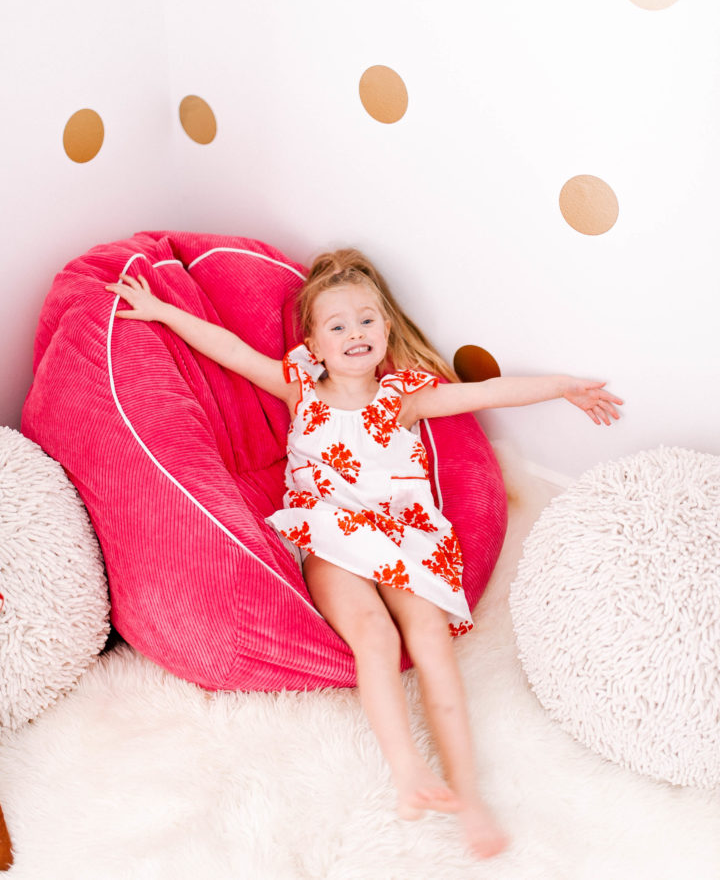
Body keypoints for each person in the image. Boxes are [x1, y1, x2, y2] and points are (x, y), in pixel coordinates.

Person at [106, 248, 623, 859]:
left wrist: (563, 388)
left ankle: (470, 794)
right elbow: (229, 349)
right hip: (331, 535)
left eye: (366, 320)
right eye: (337, 325)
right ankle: (408, 773)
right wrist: (161, 310)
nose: (355, 333)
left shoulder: (404, 396)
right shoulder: (298, 384)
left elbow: (489, 392)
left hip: (405, 536)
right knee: (374, 639)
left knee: (432, 647)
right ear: (316, 345)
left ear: (384, 329)